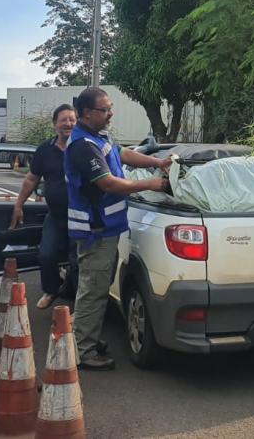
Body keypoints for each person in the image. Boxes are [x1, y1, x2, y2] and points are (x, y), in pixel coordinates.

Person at [65, 87, 171, 370]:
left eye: (110, 108)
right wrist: (149, 184)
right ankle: (83, 350)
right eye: (105, 109)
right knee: (94, 289)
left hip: (106, 229)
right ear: (87, 113)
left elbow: (123, 154)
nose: (111, 113)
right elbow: (108, 183)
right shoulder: (82, 146)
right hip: (95, 231)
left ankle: (85, 337)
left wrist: (157, 162)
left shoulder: (99, 137)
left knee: (98, 286)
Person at [9, 104, 78, 310]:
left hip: (80, 217)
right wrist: (18, 205)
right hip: (55, 216)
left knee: (77, 263)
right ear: (55, 124)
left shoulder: (83, 147)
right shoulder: (44, 150)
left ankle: (75, 301)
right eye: (64, 120)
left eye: (72, 120)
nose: (68, 124)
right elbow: (31, 179)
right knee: (46, 255)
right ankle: (51, 290)